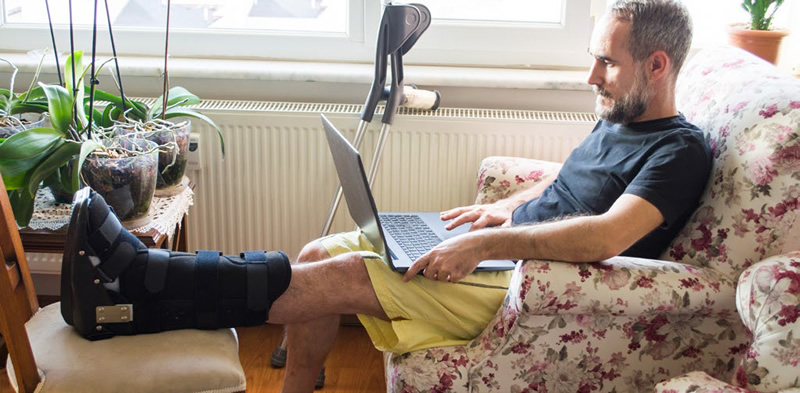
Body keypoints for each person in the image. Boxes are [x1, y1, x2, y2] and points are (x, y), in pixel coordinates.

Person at [62, 0, 710, 392]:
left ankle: (139, 284)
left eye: (608, 62)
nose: (591, 75)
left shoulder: (678, 151)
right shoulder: (620, 118)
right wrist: (509, 203)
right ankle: (149, 286)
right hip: (503, 250)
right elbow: (570, 179)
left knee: (343, 273)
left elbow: (606, 235)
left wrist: (487, 239)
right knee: (319, 248)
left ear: (657, 65)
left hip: (533, 284)